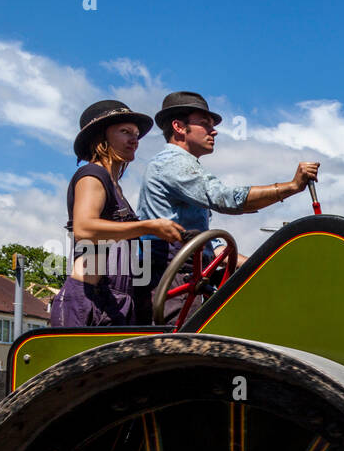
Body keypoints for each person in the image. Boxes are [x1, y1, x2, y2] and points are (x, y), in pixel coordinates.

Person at [135, 91, 320, 320]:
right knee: (182, 347)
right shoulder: (172, 163)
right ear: (179, 127)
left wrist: (264, 267)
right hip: (171, 273)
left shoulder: (183, 168)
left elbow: (214, 248)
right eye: (205, 124)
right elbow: (226, 199)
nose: (214, 131)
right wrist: (291, 187)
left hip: (185, 268)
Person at [49, 100, 185, 327]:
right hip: (89, 299)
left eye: (136, 134)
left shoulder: (115, 187)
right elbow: (84, 229)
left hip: (117, 301)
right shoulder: (92, 174)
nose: (134, 139)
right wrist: (148, 227)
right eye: (125, 132)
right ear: (101, 137)